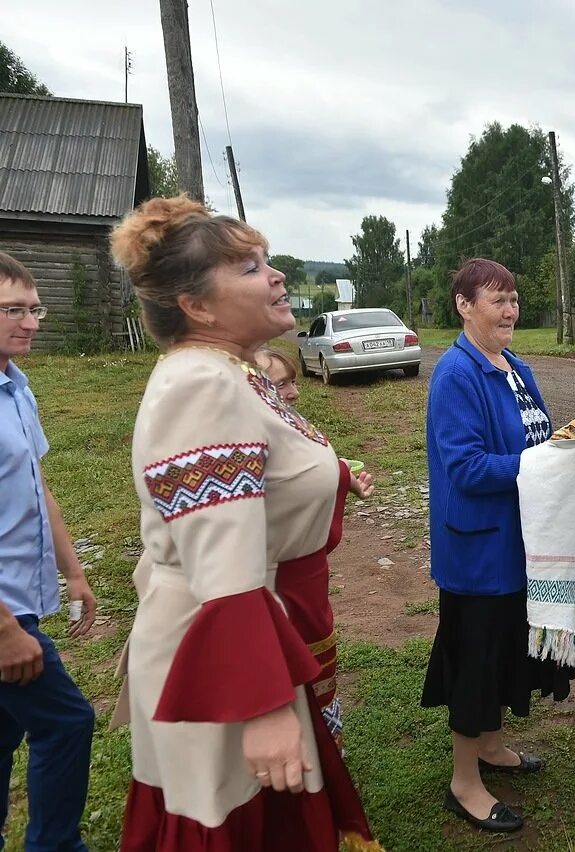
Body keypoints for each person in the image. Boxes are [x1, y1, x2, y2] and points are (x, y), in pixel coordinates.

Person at [110, 196, 379, 851]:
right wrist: (257, 704)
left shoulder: (234, 375)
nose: (278, 274)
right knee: (230, 826)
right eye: (251, 266)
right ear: (197, 306)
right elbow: (221, 559)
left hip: (248, 635)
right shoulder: (201, 383)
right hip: (224, 657)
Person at [422, 257, 575, 834]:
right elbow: (465, 468)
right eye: (497, 299)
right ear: (464, 306)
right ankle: (464, 783)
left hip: (519, 538)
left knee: (506, 647)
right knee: (476, 660)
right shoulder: (456, 374)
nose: (510, 310)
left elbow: (539, 430)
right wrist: (540, 465)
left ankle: (491, 746)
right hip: (479, 549)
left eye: (513, 299)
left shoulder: (512, 364)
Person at [0, 251, 97, 852]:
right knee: (67, 723)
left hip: (22, 608)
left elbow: (38, 486)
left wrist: (75, 573)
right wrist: (6, 629)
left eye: (34, 308)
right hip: (5, 617)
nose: (32, 322)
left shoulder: (15, 387)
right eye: (13, 309)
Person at [253, 347, 374, 749]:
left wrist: (344, 480)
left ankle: (324, 756)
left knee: (318, 674)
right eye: (280, 384)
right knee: (288, 679)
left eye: (293, 382)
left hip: (308, 584)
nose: (293, 393)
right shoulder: (246, 436)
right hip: (278, 586)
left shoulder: (285, 424)